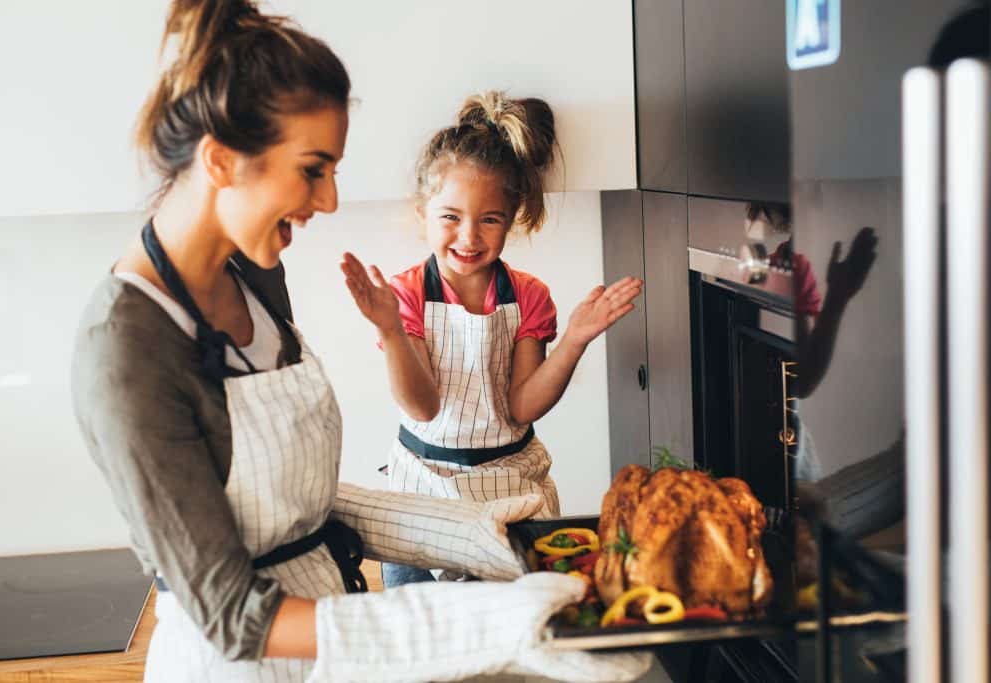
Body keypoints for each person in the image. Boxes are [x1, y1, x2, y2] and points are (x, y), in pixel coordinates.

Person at [70, 1, 650, 681]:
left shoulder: (253, 275)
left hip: (335, 639)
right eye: (313, 168)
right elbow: (233, 617)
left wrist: (481, 536)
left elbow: (293, 504)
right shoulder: (126, 350)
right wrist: (488, 619)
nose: (329, 201)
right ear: (221, 159)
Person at [340, 92, 643, 588]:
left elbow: (521, 406)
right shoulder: (406, 295)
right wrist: (391, 330)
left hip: (508, 492)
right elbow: (422, 406)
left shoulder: (528, 296)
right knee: (421, 645)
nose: (468, 236)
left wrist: (574, 341)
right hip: (421, 495)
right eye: (450, 216)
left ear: (513, 217)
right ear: (423, 213)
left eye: (489, 219)